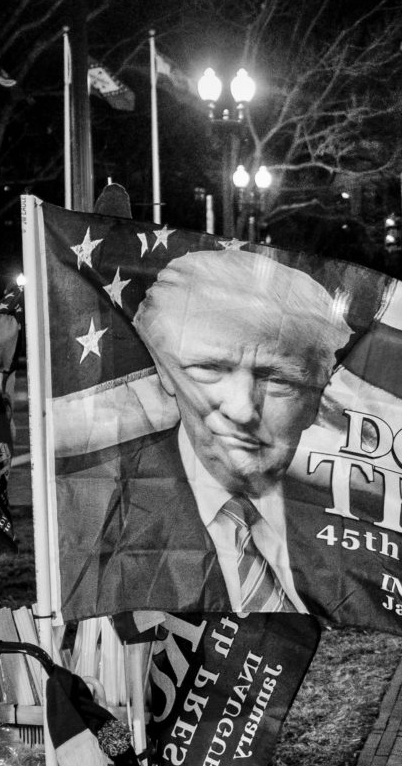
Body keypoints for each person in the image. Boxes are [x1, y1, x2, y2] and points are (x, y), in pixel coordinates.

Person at [58, 250, 352, 616]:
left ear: (316, 395)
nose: (242, 409)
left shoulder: (355, 513)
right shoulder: (98, 511)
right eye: (209, 369)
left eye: (277, 378)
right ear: (165, 374)